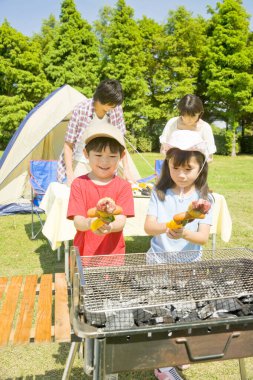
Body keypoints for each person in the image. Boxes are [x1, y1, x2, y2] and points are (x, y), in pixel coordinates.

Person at [144, 130, 213, 380]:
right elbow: (149, 227)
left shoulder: (204, 199)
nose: (181, 175)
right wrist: (169, 227)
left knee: (185, 311)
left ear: (200, 167)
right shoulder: (159, 193)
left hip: (189, 265)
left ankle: (181, 353)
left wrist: (183, 234)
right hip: (158, 262)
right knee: (160, 311)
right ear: (167, 166)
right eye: (175, 168)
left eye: (188, 169)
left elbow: (203, 237)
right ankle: (162, 360)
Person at [67, 118, 134, 259]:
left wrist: (109, 226)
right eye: (98, 155)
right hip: (84, 255)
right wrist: (92, 223)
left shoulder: (124, 186)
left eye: (112, 156)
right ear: (86, 154)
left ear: (121, 156)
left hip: (114, 256)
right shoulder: (78, 184)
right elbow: (78, 222)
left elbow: (121, 221)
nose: (104, 161)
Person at [57, 78, 137, 186]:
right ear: (101, 99)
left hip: (106, 162)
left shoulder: (116, 109)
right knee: (80, 195)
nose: (114, 107)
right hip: (81, 160)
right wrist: (70, 173)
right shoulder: (80, 110)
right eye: (111, 104)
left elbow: (120, 141)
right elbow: (68, 144)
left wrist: (127, 169)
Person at [159, 94, 216, 162]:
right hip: (173, 165)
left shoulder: (205, 127)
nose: (189, 119)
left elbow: (210, 156)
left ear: (200, 113)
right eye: (185, 115)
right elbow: (163, 148)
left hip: (195, 168)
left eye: (193, 116)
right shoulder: (172, 123)